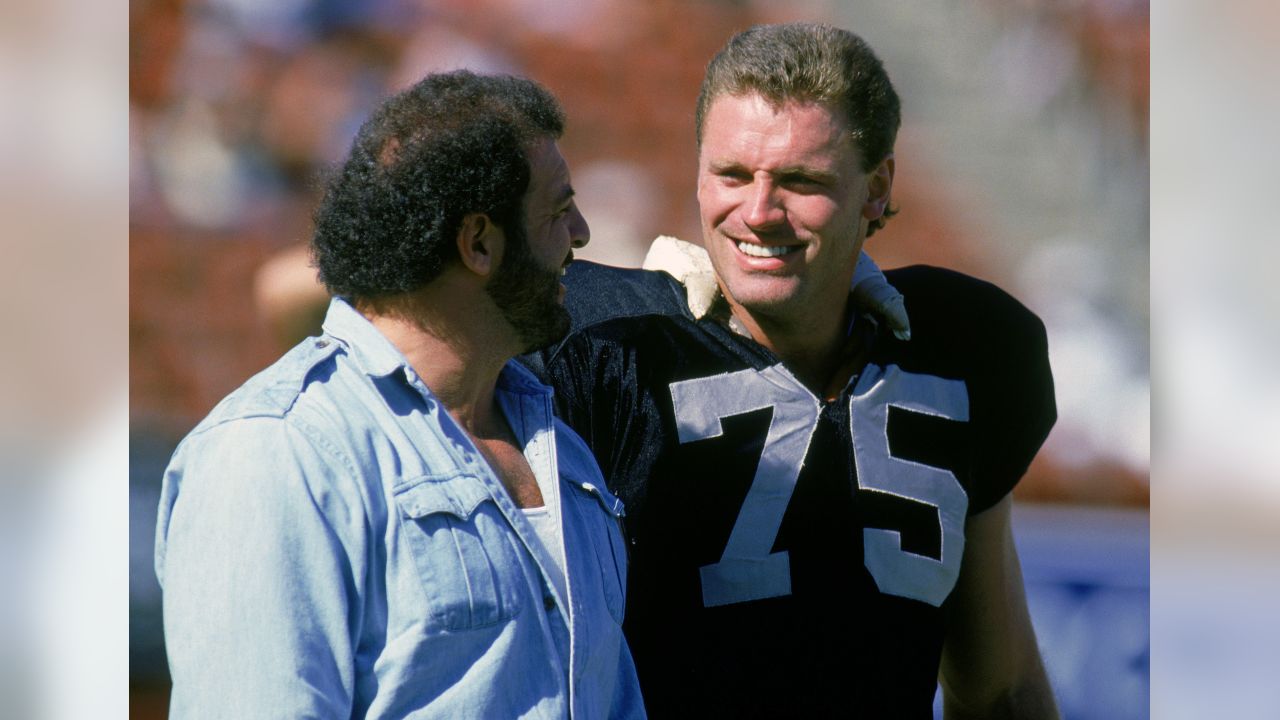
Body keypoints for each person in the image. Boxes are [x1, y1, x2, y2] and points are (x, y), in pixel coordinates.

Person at [524, 23, 1060, 718]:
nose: (758, 212)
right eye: (732, 174)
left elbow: (999, 688)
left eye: (801, 181)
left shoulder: (958, 346)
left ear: (877, 188)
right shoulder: (604, 337)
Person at [155, 70, 646, 719]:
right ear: (478, 243)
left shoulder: (566, 454)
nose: (580, 233)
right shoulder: (277, 452)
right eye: (557, 211)